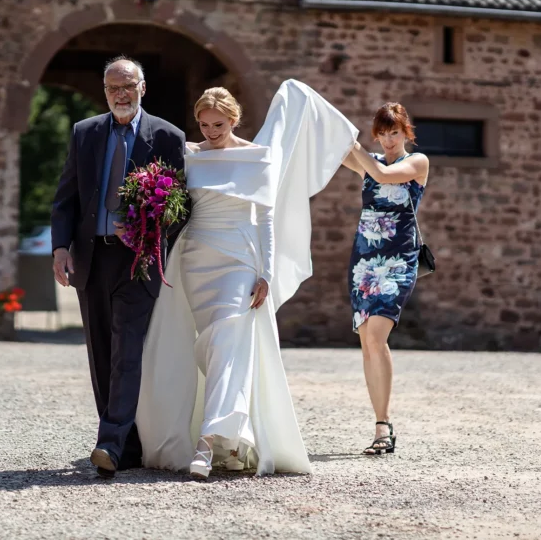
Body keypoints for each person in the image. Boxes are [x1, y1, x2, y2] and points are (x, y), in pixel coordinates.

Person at [136, 80, 359, 479]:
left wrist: (266, 273)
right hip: (197, 256)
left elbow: (267, 220)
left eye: (218, 125)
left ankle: (207, 441)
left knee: (227, 339)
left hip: (240, 259)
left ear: (233, 120)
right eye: (204, 125)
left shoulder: (258, 158)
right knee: (215, 347)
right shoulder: (190, 155)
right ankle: (233, 439)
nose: (210, 132)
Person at [50, 56, 186, 478]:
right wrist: (60, 247)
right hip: (92, 257)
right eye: (113, 88)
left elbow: (181, 207)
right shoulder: (85, 132)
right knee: (102, 355)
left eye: (127, 86)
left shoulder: (167, 135)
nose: (120, 95)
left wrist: (154, 239)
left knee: (127, 349)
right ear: (104, 92)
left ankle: (108, 441)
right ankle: (126, 446)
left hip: (138, 260)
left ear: (142, 88)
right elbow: (66, 196)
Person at [341, 102, 429, 456]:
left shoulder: (416, 163)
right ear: (376, 134)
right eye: (383, 133)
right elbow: (332, 156)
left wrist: (356, 148)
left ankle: (383, 424)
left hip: (397, 262)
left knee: (377, 336)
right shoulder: (370, 161)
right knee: (368, 344)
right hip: (364, 261)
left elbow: (384, 177)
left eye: (395, 133)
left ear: (405, 133)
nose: (390, 140)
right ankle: (380, 423)